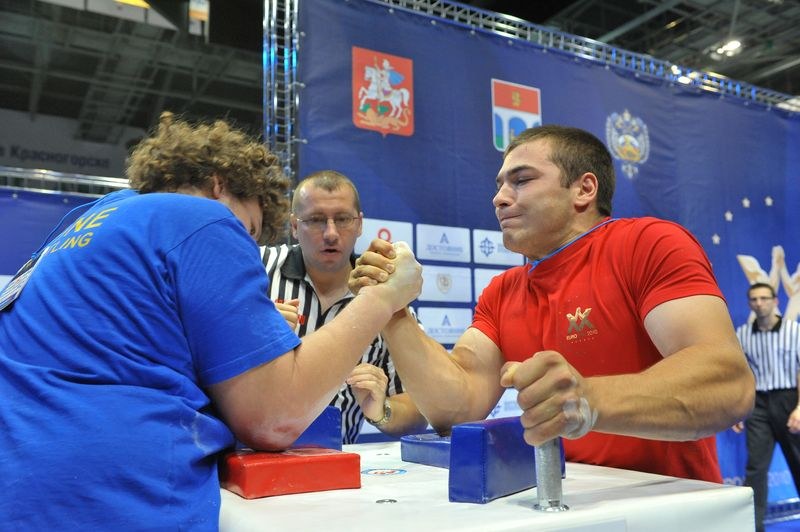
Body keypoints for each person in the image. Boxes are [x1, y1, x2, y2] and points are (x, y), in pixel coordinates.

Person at [0, 112, 422, 529]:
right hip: (109, 499)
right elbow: (273, 417)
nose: (244, 245)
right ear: (219, 185)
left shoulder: (87, 221)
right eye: (249, 229)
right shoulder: (203, 217)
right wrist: (383, 298)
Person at [351, 124, 754, 482]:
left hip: (671, 511)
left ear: (584, 189)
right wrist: (393, 310)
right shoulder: (502, 290)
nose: (499, 198)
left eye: (521, 180)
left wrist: (590, 400)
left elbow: (728, 384)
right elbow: (458, 407)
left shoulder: (648, 243)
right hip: (563, 508)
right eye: (499, 185)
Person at [262, 170, 428, 443]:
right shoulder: (257, 269)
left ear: (360, 223)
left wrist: (381, 411)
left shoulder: (384, 290)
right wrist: (253, 332)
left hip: (336, 469)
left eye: (342, 219)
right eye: (315, 220)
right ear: (293, 226)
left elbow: (421, 407)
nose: (330, 233)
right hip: (249, 458)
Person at [733, 282, 800, 532]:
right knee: (756, 469)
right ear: (749, 303)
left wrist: (799, 408)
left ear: (776, 301)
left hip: (790, 400)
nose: (759, 303)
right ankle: (753, 526)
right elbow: (740, 374)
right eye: (754, 299)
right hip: (758, 404)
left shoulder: (794, 331)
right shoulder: (742, 334)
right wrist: (737, 408)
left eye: (764, 298)